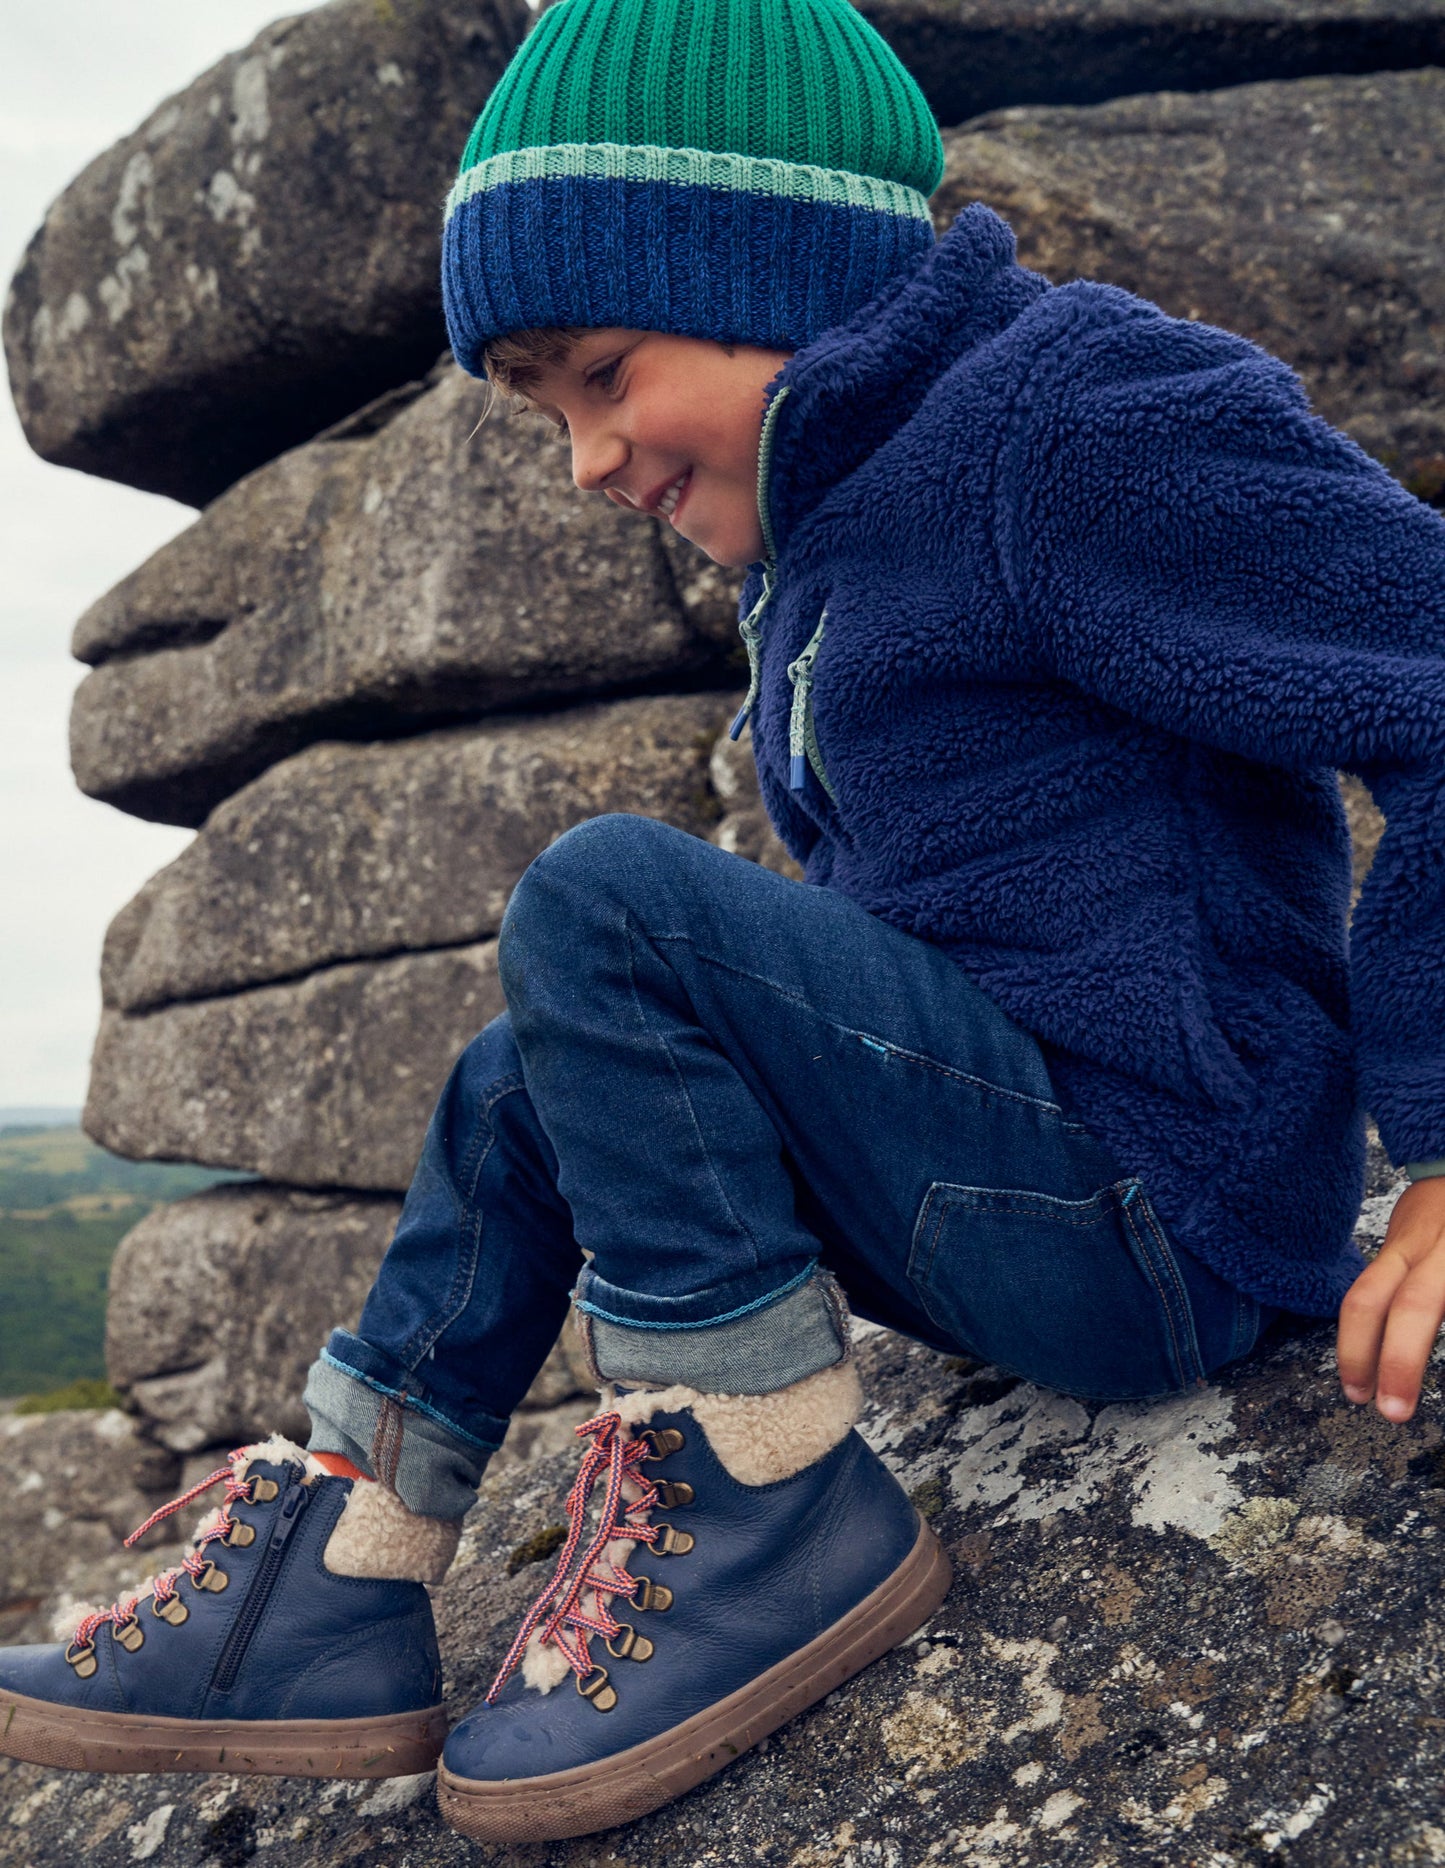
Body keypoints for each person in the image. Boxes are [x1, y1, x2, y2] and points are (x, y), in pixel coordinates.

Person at [4, 0, 1445, 1844]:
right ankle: (345, 1573)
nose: (588, 462)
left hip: (1157, 1205)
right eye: (547, 413)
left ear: (777, 264)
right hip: (1001, 1185)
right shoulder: (837, 510)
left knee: (611, 895)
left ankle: (766, 1493)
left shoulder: (1071, 418)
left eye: (605, 374)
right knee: (521, 1078)